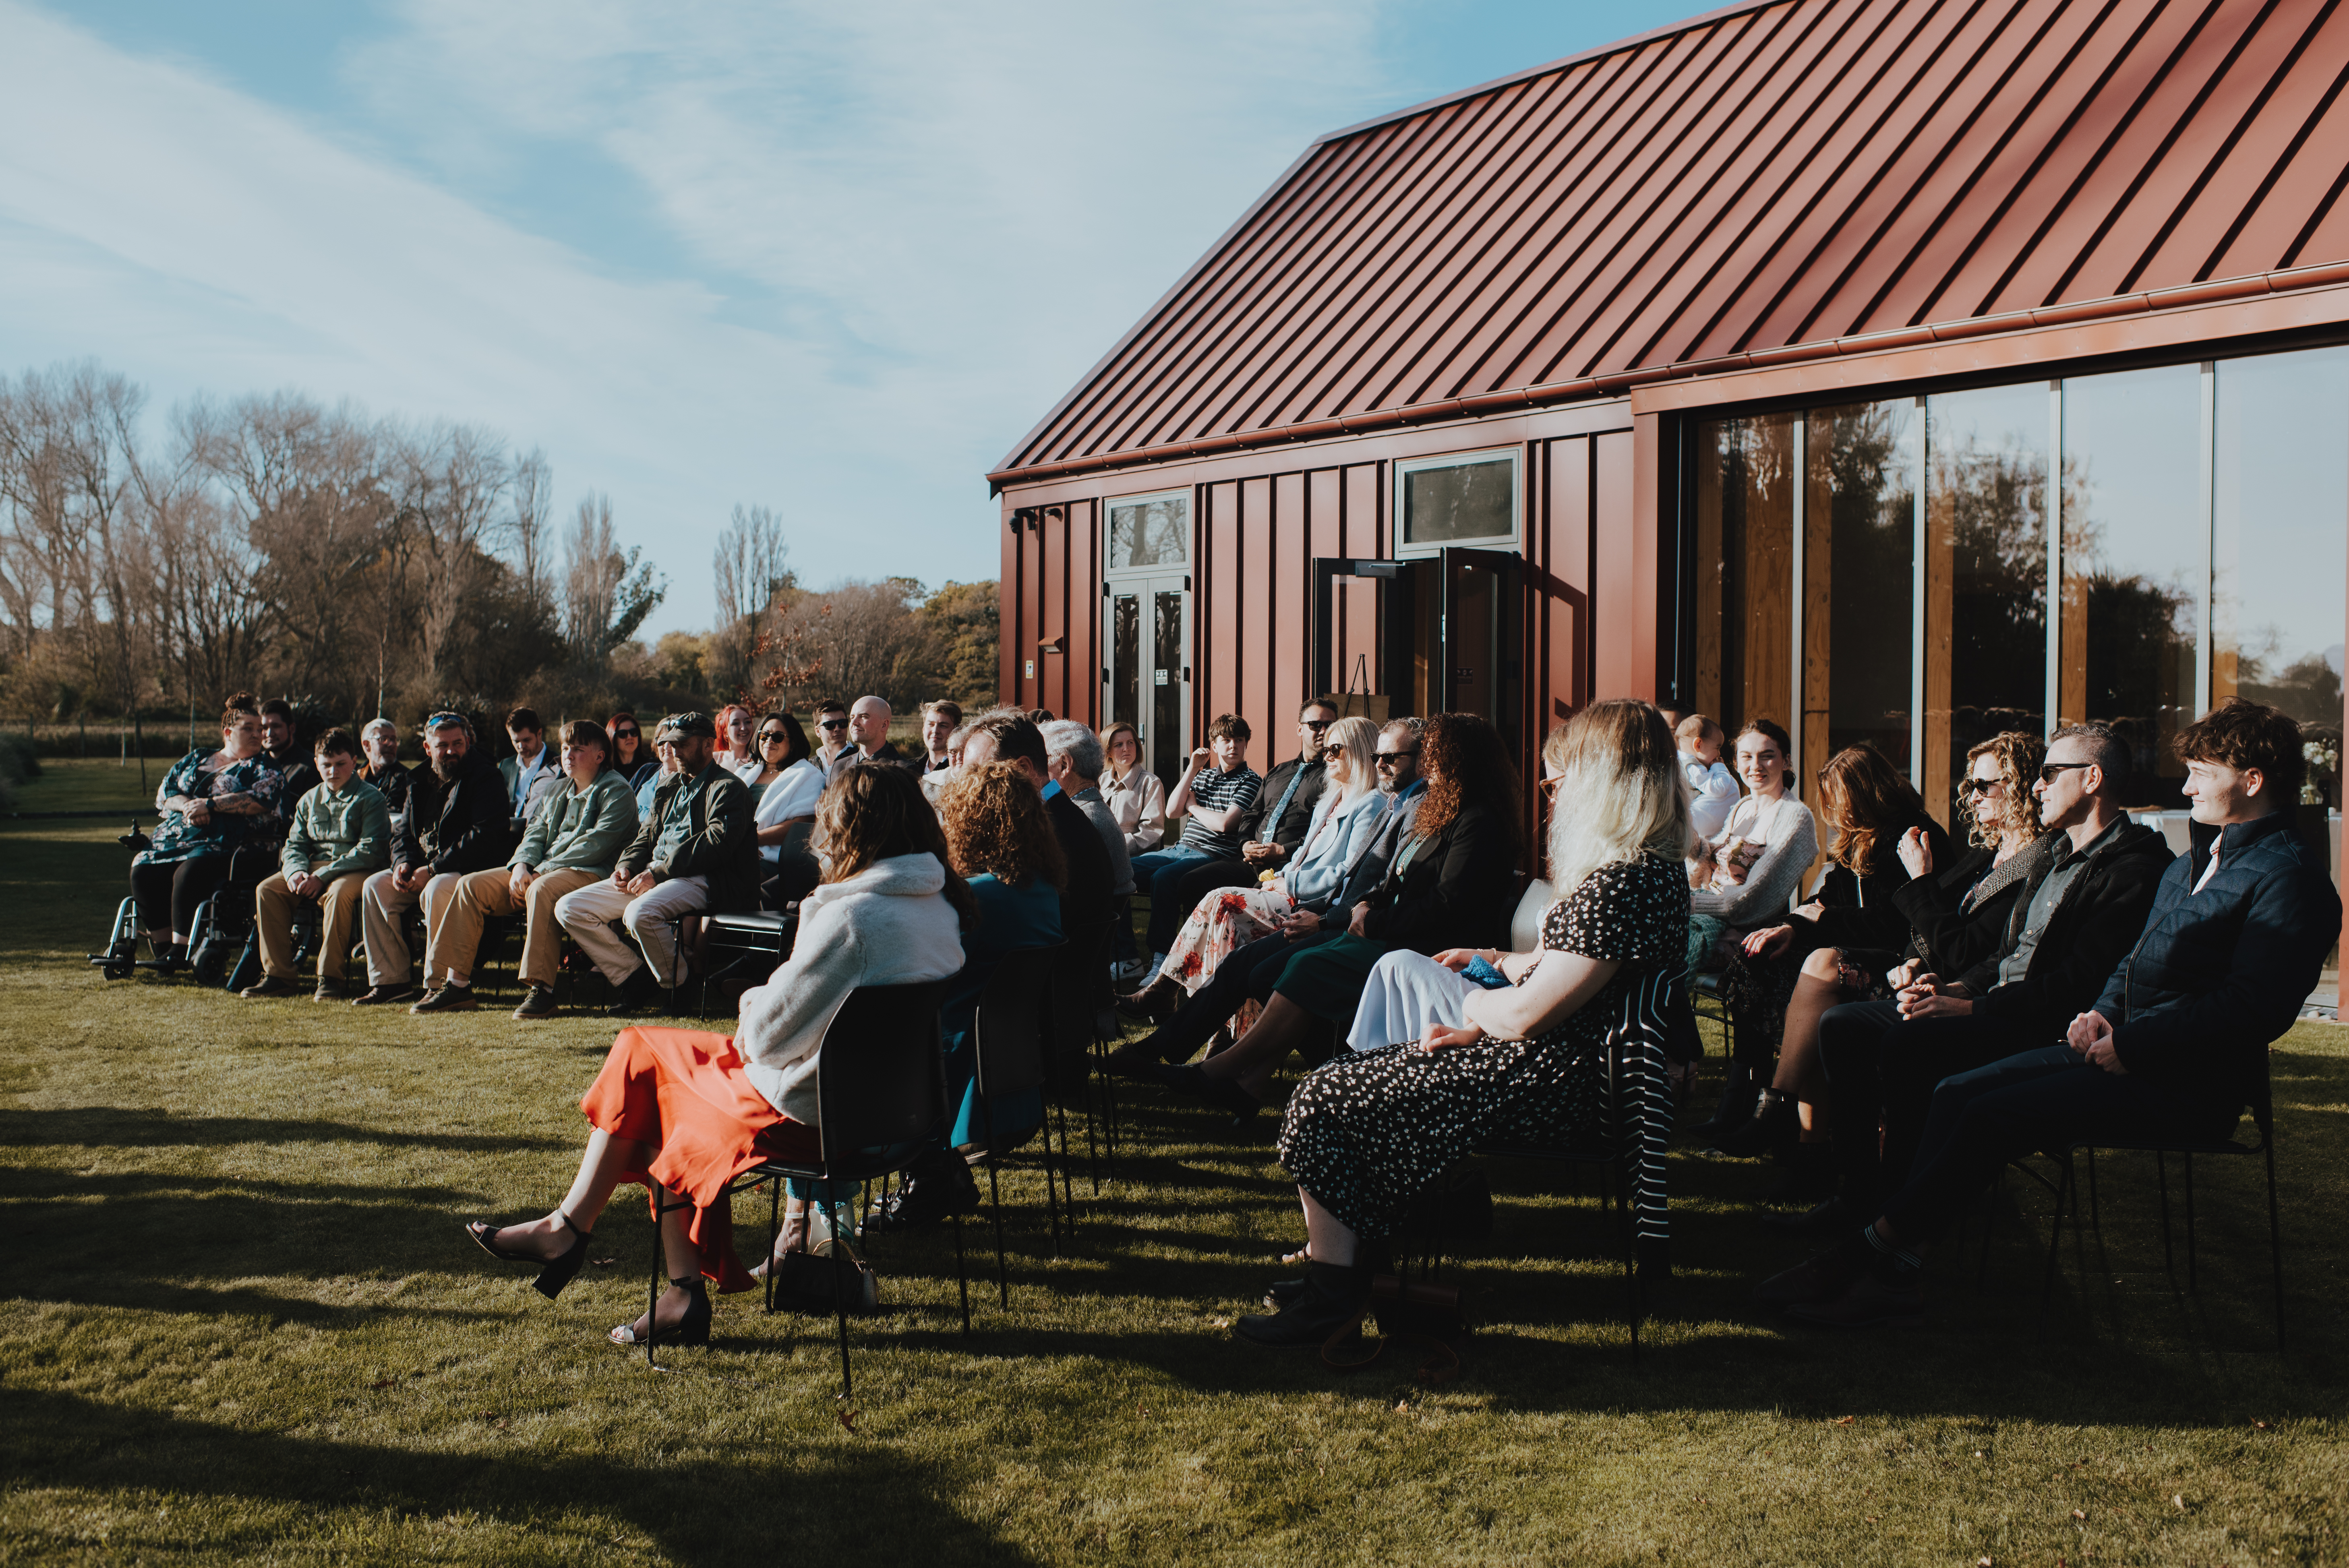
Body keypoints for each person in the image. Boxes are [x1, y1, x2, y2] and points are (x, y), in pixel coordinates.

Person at [1761, 698, 2341, 1328]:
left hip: (2184, 1082)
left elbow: (2252, 1008)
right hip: (2118, 1051)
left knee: (1983, 1107)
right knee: (1958, 1092)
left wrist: (2132, 1043)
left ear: (2251, 781)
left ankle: (1873, 1256)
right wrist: (2098, 1014)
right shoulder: (2195, 862)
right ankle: (1892, 1256)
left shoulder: (2287, 877)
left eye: (2200, 772)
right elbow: (2131, 962)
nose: (2185, 785)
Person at [463, 763, 973, 1347]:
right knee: (639, 1049)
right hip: (888, 1114)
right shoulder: (937, 905)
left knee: (653, 1088)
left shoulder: (853, 916)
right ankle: (583, 1237)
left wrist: (757, 992)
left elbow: (767, 1039)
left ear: (849, 828)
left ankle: (618, 1256)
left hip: (811, 1115)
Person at [1233, 700, 1694, 1345]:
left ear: (1598, 780)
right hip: (1561, 1065)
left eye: (1558, 781)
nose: (1551, 797)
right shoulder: (1642, 871)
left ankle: (1334, 1290)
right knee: (1345, 1079)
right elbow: (1553, 988)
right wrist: (1485, 1003)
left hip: (1565, 1085)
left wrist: (1472, 1005)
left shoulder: (1625, 881)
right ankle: (1350, 1265)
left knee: (1325, 1096)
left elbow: (1530, 1012)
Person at [1153, 712, 1520, 1120]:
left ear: (1458, 759)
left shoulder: (1477, 821)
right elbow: (1395, 875)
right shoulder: (1442, 812)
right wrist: (1369, 905)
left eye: (1434, 756)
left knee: (1305, 966)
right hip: (1384, 929)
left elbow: (1447, 905)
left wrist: (1368, 918)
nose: (1427, 765)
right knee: (1281, 965)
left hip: (1428, 948)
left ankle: (1223, 1072)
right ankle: (1251, 1081)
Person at [1109, 718, 1424, 1076]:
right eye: (1326, 749)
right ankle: (1218, 1040)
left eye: (1336, 749)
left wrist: (1288, 886)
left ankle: (1180, 1006)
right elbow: (1300, 850)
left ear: (1356, 752)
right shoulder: (1333, 796)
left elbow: (1345, 877)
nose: (1327, 756)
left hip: (1315, 905)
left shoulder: (1372, 804)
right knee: (1225, 924)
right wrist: (1279, 876)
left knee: (1221, 902)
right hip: (1299, 892)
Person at [1706, 744, 1951, 1173]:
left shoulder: (1911, 836)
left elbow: (1893, 924)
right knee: (1759, 958)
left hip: (1905, 960)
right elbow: (1825, 901)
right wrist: (1792, 926)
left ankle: (1776, 1111)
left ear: (1864, 794)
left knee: (1821, 966)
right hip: (1857, 950)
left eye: (1839, 800)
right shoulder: (1860, 839)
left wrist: (1823, 920)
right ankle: (1768, 1115)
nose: (1833, 812)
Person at [867, 761, 1067, 1233]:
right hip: (1007, 1049)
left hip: (952, 1046)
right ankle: (941, 1175)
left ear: (968, 821)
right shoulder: (1042, 890)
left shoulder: (975, 897)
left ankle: (928, 1179)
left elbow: (925, 972)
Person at [420, 719, 641, 1018]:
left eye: (578, 749)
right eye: (565, 748)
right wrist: (521, 867)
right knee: (470, 886)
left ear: (600, 756)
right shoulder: (556, 789)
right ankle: (456, 985)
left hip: (591, 873)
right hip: (541, 871)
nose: (568, 755)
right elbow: (534, 834)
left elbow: (595, 845)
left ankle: (543, 991)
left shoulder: (617, 790)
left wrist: (539, 872)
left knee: (541, 889)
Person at [554, 712, 757, 1013]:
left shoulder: (728, 787)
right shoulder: (669, 785)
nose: (674, 751)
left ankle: (679, 986)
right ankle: (634, 977)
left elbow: (716, 844)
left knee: (640, 913)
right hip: (657, 874)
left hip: (706, 878)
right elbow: (645, 836)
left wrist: (657, 873)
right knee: (570, 908)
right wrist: (627, 866)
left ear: (707, 744)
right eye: (669, 744)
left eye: (683, 744)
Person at [1683, 719, 1820, 1138]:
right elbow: (1709, 862)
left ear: (1786, 760)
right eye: (1745, 756)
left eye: (1766, 755)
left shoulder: (1794, 817)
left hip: (1756, 932)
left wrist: (1680, 902)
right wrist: (1688, 843)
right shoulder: (1743, 807)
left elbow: (1749, 900)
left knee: (1655, 955)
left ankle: (1683, 1068)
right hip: (1714, 924)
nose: (1755, 765)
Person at [1143, 700, 1339, 983]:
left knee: (1173, 879)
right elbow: (1252, 815)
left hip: (1287, 863)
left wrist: (1283, 850)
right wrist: (1245, 843)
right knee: (1188, 882)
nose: (1322, 730)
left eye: (1328, 725)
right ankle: (1197, 963)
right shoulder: (1278, 772)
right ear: (1300, 729)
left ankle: (1192, 972)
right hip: (1248, 859)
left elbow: (1325, 830)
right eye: (1315, 725)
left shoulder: (1332, 777)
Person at [354, 712, 513, 1005]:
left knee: (438, 888)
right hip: (425, 868)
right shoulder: (416, 780)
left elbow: (485, 835)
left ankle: (439, 985)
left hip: (469, 870)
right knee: (376, 886)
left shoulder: (486, 776)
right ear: (428, 749)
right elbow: (402, 833)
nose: (451, 751)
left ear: (468, 742)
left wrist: (433, 868)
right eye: (442, 745)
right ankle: (391, 982)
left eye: (458, 743)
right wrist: (402, 863)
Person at [130, 695, 285, 965]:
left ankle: (181, 949)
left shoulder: (263, 767)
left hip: (231, 844)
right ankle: (163, 947)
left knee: (190, 871)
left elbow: (261, 799)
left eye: (259, 729)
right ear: (228, 732)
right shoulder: (197, 757)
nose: (258, 734)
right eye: (248, 728)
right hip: (178, 839)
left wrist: (210, 806)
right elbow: (167, 792)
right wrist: (190, 806)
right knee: (143, 868)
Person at [240, 727, 391, 1000]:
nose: (333, 772)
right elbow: (295, 844)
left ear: (354, 761)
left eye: (340, 764)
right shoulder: (309, 800)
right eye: (326, 766)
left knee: (338, 894)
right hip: (313, 868)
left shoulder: (371, 798)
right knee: (267, 890)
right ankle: (278, 976)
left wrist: (322, 876)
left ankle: (330, 978)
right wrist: (295, 872)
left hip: (357, 869)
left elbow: (370, 850)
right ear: (316, 764)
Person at [960, 709, 1113, 956]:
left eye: (979, 773)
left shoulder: (1048, 832)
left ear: (1023, 768)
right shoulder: (1060, 815)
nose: (966, 785)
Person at [1128, 714, 1262, 985]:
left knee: (1164, 878)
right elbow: (1171, 811)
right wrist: (1192, 769)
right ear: (1214, 746)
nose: (1233, 746)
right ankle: (1125, 958)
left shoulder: (1250, 780)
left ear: (1247, 744)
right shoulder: (1204, 776)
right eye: (1226, 741)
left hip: (1212, 855)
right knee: (1119, 871)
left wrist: (1193, 807)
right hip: (1180, 849)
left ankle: (1161, 959)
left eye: (1239, 740)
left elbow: (1225, 824)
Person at [1041, 720, 1133, 898]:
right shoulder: (1085, 803)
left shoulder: (1080, 820)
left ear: (1064, 765)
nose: (1034, 772)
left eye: (1040, 760)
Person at [749, 709, 826, 908]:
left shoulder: (808, 776)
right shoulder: (744, 773)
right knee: (701, 884)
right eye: (764, 736)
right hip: (732, 850)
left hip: (770, 857)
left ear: (793, 743)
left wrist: (750, 840)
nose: (769, 741)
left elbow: (800, 825)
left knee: (725, 886)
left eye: (778, 737)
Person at [1099, 721, 1169, 854]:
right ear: (1108, 752)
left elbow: (1152, 832)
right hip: (1102, 854)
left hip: (1134, 858)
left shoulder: (1150, 783)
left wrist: (1116, 847)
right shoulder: (1101, 781)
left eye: (1130, 743)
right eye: (1119, 745)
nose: (1126, 748)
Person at [1676, 713, 1743, 841]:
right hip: (1694, 823)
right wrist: (1720, 767)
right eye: (1717, 748)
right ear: (1699, 745)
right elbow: (1719, 788)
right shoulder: (1693, 767)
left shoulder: (1679, 762)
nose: (1719, 754)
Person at [498, 705, 561, 832]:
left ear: (539, 734)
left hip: (540, 832)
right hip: (506, 834)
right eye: (516, 741)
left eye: (526, 740)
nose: (521, 746)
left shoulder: (558, 765)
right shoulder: (506, 765)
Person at [257, 697, 321, 809]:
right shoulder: (254, 764)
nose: (269, 734)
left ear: (292, 728)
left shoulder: (311, 767)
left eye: (276, 726)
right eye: (264, 728)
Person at [358, 718, 415, 842]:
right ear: (367, 745)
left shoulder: (407, 779)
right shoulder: (355, 776)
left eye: (394, 740)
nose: (392, 744)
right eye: (384, 739)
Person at [828, 695, 910, 780]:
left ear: (884, 725)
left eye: (863, 717)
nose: (854, 723)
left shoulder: (904, 771)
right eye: (852, 718)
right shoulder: (838, 768)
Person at [607, 712, 661, 793]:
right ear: (612, 738)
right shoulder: (607, 771)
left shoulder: (652, 768)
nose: (630, 737)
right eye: (623, 734)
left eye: (634, 732)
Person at [919, 699, 963, 775]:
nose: (935, 731)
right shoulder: (909, 768)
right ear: (923, 729)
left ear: (956, 731)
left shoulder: (961, 770)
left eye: (943, 726)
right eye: (931, 725)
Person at [810, 698, 851, 770]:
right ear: (818, 731)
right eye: (830, 725)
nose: (837, 729)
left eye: (842, 723)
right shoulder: (811, 765)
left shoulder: (860, 760)